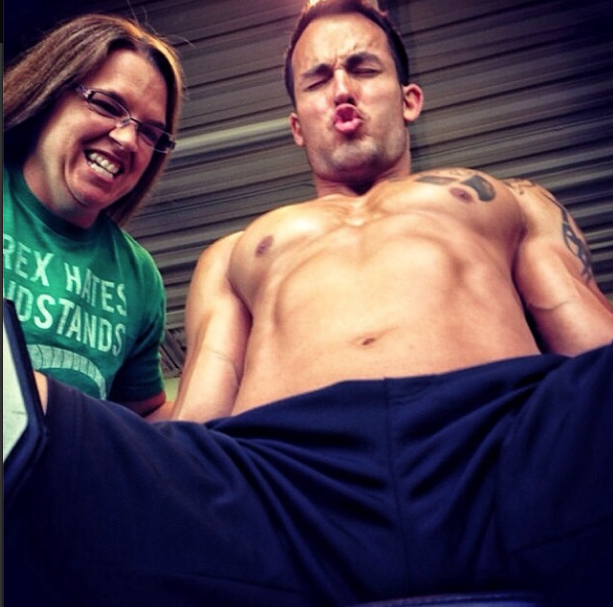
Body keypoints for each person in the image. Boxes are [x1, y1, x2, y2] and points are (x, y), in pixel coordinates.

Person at [5, 2, 613, 607]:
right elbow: (196, 427)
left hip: (501, 449)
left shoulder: (507, 200)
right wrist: (157, 476)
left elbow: (591, 347)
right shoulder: (237, 251)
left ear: (409, 99)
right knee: (30, 407)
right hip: (284, 491)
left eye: (363, 69)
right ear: (297, 125)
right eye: (317, 80)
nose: (342, 90)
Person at [3, 14, 184, 417]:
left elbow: (142, 416)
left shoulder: (139, 277)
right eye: (106, 105)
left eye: (150, 133)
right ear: (49, 92)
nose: (127, 139)